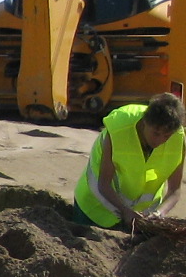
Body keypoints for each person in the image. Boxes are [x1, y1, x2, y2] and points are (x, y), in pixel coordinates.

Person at [71, 93, 185, 229]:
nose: (160, 140)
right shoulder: (118, 129)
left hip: (139, 218)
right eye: (156, 133)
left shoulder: (178, 139)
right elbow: (103, 183)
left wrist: (159, 213)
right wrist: (124, 210)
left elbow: (175, 190)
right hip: (94, 208)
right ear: (144, 123)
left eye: (166, 136)